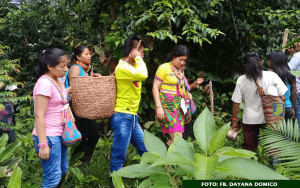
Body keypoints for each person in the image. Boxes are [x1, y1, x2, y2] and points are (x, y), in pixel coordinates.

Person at [110, 35, 148, 182]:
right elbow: (144, 74)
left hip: (131, 116)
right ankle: (115, 182)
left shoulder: (130, 68)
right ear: (134, 51)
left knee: (145, 149)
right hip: (122, 116)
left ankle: (145, 177)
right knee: (119, 154)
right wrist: (138, 57)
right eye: (141, 52)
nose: (142, 55)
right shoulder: (122, 68)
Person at [231, 51, 287, 151]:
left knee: (249, 146)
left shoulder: (241, 80)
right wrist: (279, 115)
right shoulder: (272, 76)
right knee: (274, 146)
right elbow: (282, 97)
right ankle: (275, 165)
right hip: (270, 117)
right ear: (261, 62)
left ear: (245, 65)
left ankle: (249, 164)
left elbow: (236, 102)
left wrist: (234, 121)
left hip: (250, 119)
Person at [32, 48, 69, 188]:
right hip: (49, 137)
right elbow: (39, 115)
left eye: (66, 65)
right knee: (52, 178)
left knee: (63, 170)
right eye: (62, 66)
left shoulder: (57, 80)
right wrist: (43, 145)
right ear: (49, 66)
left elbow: (61, 95)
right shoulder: (45, 84)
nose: (66, 69)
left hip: (60, 134)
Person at [65, 45, 101, 163]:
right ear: (78, 56)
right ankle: (77, 163)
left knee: (94, 134)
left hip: (85, 106)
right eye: (86, 54)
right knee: (82, 136)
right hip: (77, 106)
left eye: (89, 54)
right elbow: (75, 87)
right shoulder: (75, 68)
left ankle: (84, 161)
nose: (89, 56)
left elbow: (84, 84)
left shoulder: (85, 69)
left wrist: (92, 78)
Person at [152, 45, 191, 146]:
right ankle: (166, 159)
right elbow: (155, 87)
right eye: (180, 59)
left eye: (184, 60)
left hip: (178, 109)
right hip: (166, 108)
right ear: (173, 56)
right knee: (178, 138)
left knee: (177, 140)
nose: (182, 63)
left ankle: (164, 158)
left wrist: (187, 94)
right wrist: (158, 107)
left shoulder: (180, 71)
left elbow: (181, 89)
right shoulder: (163, 68)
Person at [267, 50, 296, 123]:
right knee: (287, 132)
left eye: (269, 60)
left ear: (274, 62)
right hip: (288, 106)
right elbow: (294, 92)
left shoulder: (272, 75)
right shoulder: (290, 74)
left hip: (277, 106)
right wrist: (293, 108)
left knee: (278, 132)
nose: (268, 62)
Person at [181, 66, 204, 140]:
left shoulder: (182, 75)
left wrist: (196, 82)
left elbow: (186, 88)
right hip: (177, 108)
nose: (183, 66)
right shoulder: (171, 76)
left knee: (186, 132)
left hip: (185, 108)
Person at [288, 33, 300, 134]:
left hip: (298, 91)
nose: (295, 43)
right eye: (295, 41)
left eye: (298, 41)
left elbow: (288, 70)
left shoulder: (298, 55)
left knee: (297, 120)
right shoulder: (296, 55)